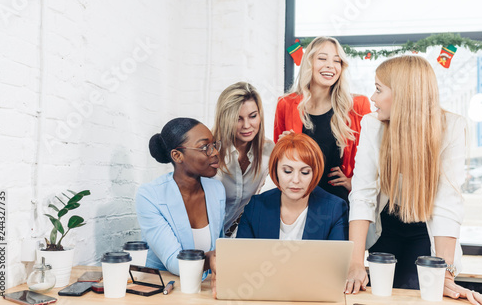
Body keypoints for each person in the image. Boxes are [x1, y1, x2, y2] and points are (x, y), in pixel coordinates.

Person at [345, 56, 482, 305]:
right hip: (386, 225)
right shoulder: (372, 125)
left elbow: (446, 204)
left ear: (403, 95)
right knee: (380, 295)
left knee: (423, 294)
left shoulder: (451, 127)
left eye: (378, 89)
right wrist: (355, 263)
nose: (372, 98)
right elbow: (363, 194)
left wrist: (445, 273)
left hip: (425, 227)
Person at [274, 36, 371, 203]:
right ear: (309, 62)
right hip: (298, 200)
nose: (330, 65)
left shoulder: (357, 106)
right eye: (322, 58)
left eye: (337, 60)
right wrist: (284, 147)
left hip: (338, 201)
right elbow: (278, 163)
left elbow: (372, 156)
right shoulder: (285, 104)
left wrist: (353, 182)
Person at [136, 117, 225, 276]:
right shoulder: (150, 196)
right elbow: (174, 261)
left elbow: (221, 244)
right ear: (177, 156)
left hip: (203, 288)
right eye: (205, 147)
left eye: (214, 145)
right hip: (165, 289)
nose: (215, 152)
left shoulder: (216, 189)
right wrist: (213, 258)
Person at [236, 132, 348, 240]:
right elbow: (242, 256)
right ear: (275, 170)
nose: (295, 180)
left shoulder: (334, 209)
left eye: (305, 172)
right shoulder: (256, 207)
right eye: (288, 171)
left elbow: (337, 259)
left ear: (315, 173)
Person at [212, 82, 274, 237]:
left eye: (253, 116)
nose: (247, 125)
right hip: (200, 238)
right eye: (238, 119)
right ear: (225, 119)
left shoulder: (268, 149)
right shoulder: (210, 150)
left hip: (233, 237)